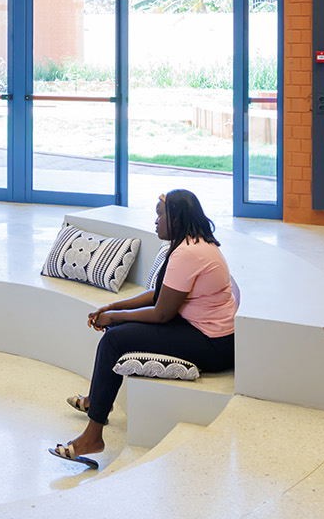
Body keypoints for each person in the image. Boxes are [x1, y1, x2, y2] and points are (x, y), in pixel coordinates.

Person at [49, 189, 237, 468]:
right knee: (116, 333)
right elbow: (158, 294)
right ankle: (95, 403)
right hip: (200, 330)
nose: (156, 221)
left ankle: (93, 437)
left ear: (176, 218)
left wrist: (115, 318)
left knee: (114, 340)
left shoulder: (189, 253)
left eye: (160, 216)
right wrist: (113, 308)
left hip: (213, 344)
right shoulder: (189, 244)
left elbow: (161, 313)